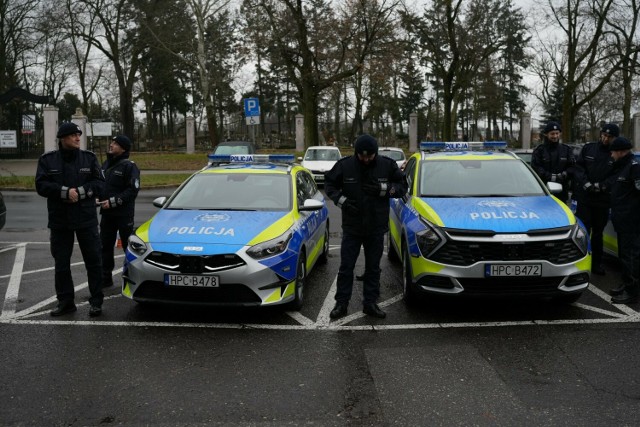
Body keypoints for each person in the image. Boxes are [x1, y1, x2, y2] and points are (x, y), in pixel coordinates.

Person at [324, 134, 408, 319]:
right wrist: (342, 201)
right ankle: (341, 304)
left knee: (373, 268)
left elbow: (402, 186)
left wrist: (383, 190)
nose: (366, 159)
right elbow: (329, 184)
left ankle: (370, 303)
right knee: (346, 267)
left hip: (375, 227)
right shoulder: (345, 166)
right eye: (362, 156)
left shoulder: (386, 165)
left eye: (370, 156)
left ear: (375, 153)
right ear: (356, 153)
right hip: (352, 227)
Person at [35, 122, 105, 317]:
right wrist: (64, 192)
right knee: (62, 264)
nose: (77, 138)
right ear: (62, 138)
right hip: (60, 221)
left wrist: (81, 192)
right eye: (73, 135)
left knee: (94, 261)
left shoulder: (89, 158)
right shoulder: (48, 160)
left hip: (86, 219)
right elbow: (41, 185)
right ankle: (66, 302)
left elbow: (100, 183)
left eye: (78, 135)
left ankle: (96, 301)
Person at [572, 123, 618, 275]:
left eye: (609, 137)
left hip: (602, 200)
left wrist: (602, 186)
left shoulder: (615, 153)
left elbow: (615, 176)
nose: (605, 139)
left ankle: (596, 264)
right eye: (604, 135)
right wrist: (585, 183)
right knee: (583, 232)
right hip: (585, 198)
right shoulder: (589, 148)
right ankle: (581, 262)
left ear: (614, 138)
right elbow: (579, 168)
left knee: (598, 234)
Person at [98, 135, 140, 288]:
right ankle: (105, 278)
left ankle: (130, 277)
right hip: (107, 214)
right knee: (105, 246)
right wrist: (98, 197)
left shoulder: (130, 166)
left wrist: (113, 202)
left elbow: (132, 190)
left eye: (115, 143)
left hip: (123, 214)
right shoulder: (106, 164)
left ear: (123, 148)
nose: (111, 145)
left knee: (128, 249)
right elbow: (101, 184)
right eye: (112, 142)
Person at [607, 136, 640, 304]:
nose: (611, 155)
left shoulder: (634, 167)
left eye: (613, 152)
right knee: (623, 255)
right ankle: (627, 284)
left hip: (631, 220)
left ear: (621, 152)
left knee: (630, 256)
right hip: (621, 218)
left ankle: (632, 290)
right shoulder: (622, 166)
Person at [531, 121, 576, 203]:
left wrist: (564, 174)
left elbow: (572, 167)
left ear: (560, 134)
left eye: (557, 133)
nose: (555, 136)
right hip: (544, 192)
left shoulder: (566, 150)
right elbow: (536, 167)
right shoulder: (539, 150)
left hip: (562, 193)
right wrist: (549, 176)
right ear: (546, 134)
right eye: (552, 134)